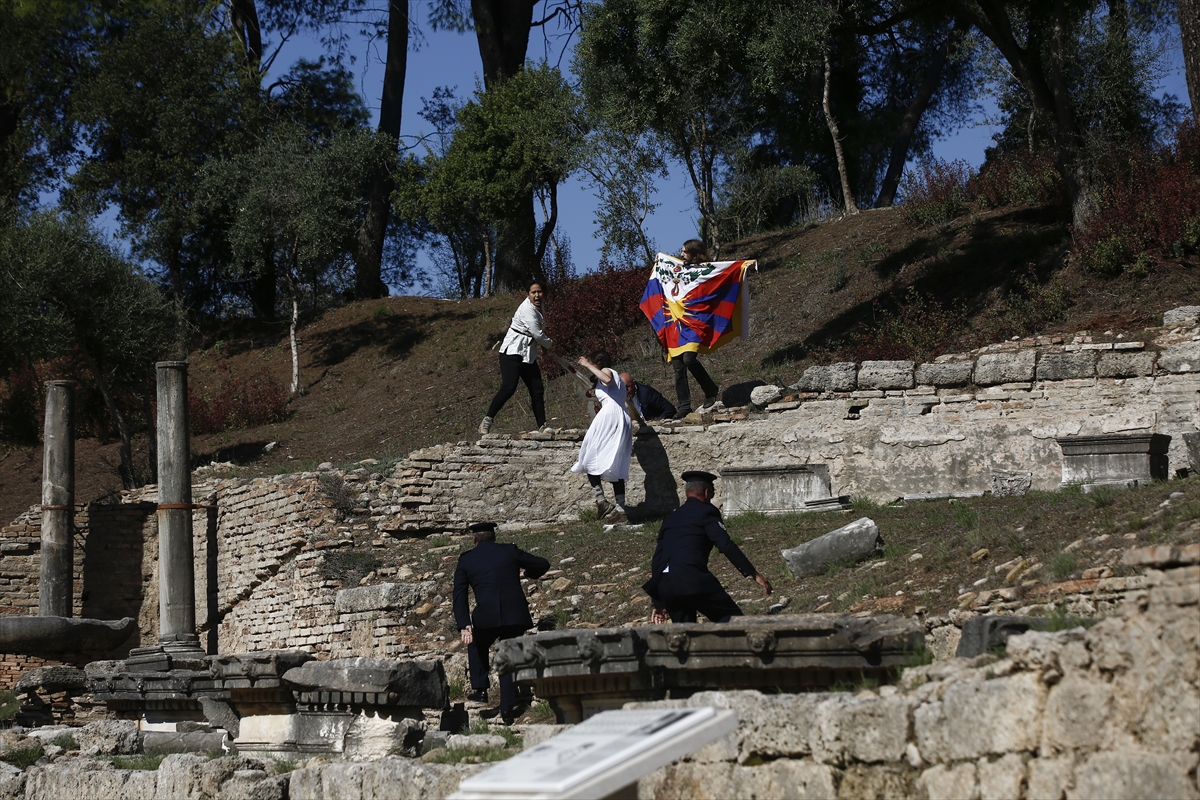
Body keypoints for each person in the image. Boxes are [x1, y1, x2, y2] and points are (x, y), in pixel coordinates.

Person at [642, 470, 773, 623]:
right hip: (692, 579)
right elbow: (725, 544)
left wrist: (658, 601)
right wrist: (753, 573)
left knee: (685, 632)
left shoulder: (670, 518)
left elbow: (658, 558)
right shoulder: (707, 511)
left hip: (666, 585)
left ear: (686, 493)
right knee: (733, 622)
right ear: (706, 492)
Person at [453, 521, 550, 723]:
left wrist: (464, 624)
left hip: (486, 616)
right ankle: (507, 710)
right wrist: (526, 573)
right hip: (515, 614)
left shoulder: (467, 559)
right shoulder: (509, 551)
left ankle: (481, 689)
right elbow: (542, 564)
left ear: (475, 540)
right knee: (508, 656)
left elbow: (459, 594)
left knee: (476, 643)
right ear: (494, 537)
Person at [481, 281, 554, 434]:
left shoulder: (540, 307)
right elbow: (536, 333)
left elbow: (539, 330)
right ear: (528, 294)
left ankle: (543, 425)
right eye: (533, 292)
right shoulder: (527, 309)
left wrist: (544, 347)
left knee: (537, 389)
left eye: (539, 292)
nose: (537, 295)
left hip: (528, 354)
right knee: (509, 388)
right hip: (512, 352)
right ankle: (487, 421)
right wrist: (550, 345)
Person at [570, 350, 633, 523]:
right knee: (615, 462)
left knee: (588, 456)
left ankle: (601, 501)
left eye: (591, 362)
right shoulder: (618, 379)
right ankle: (620, 509)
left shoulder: (608, 371)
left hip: (610, 416)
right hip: (621, 416)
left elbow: (606, 379)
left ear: (597, 361)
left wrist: (586, 365)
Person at [669, 240, 722, 419]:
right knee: (678, 365)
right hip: (678, 321)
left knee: (689, 359)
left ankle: (710, 389)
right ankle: (684, 406)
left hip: (697, 321)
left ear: (693, 253)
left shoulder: (706, 270)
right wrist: (659, 261)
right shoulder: (680, 269)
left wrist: (744, 266)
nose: (681, 255)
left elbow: (725, 272)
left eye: (685, 252)